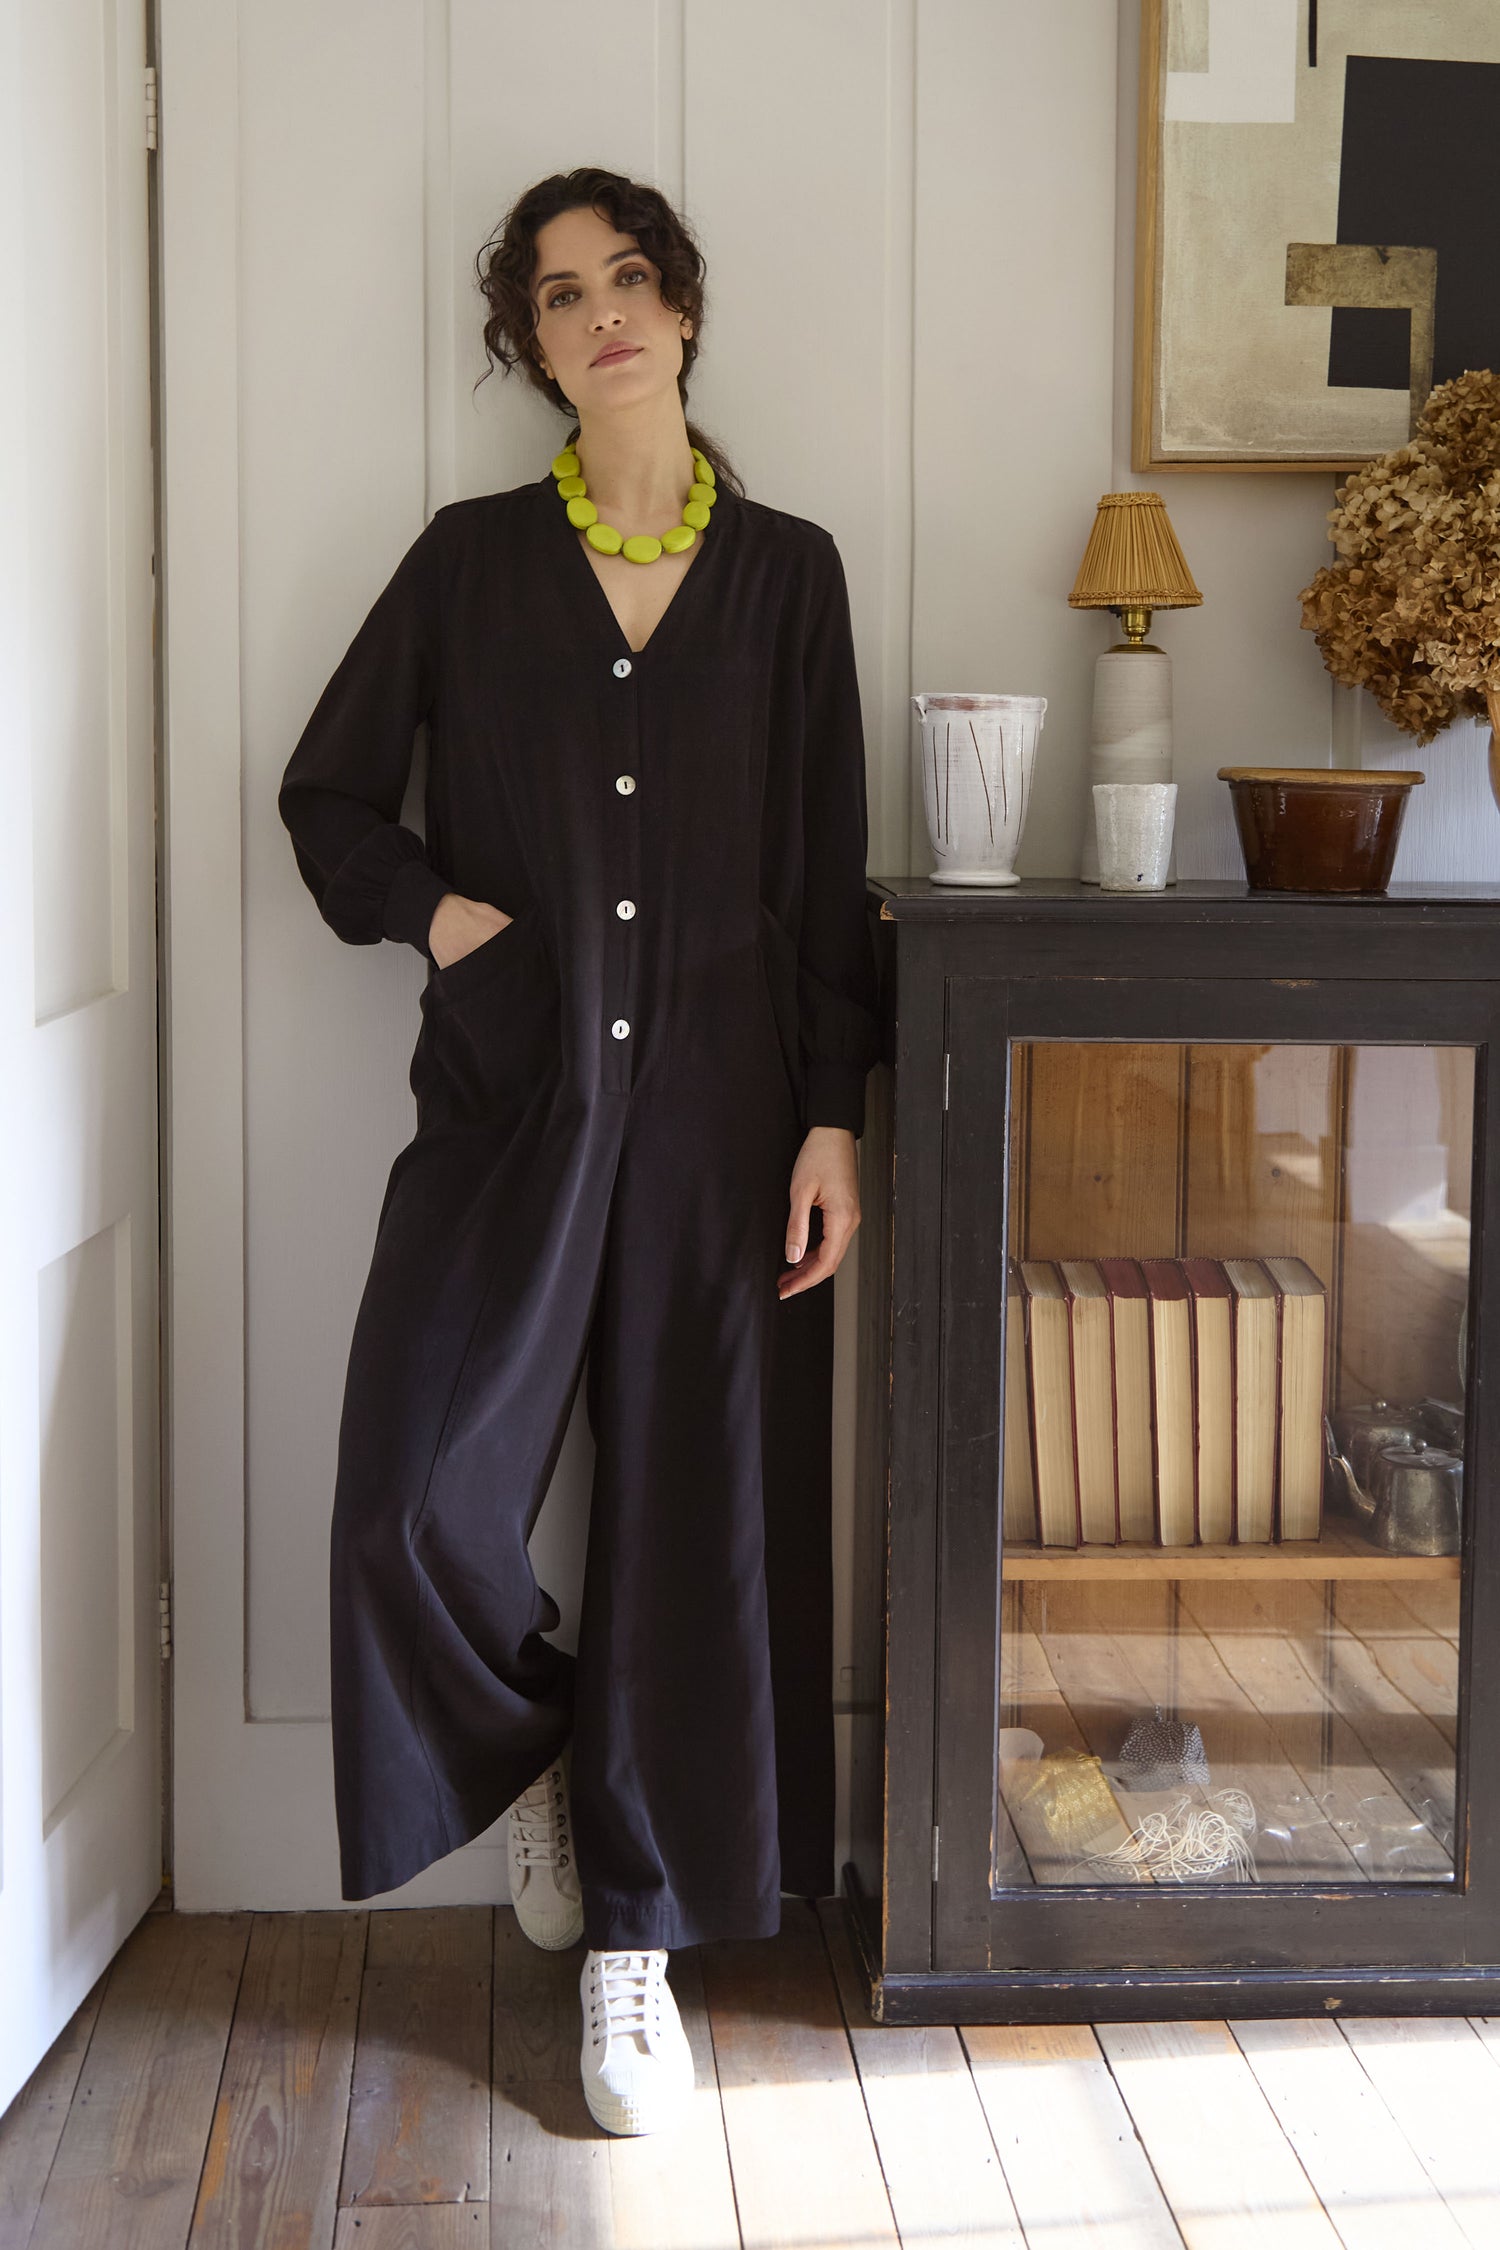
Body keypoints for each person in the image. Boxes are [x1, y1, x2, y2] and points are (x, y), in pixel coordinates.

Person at [277, 166, 879, 2137]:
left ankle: (637, 1945)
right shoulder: (465, 565)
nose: (603, 314)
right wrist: (450, 922)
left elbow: (819, 876)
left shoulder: (789, 576)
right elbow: (331, 794)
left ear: (684, 312)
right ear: (527, 346)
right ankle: (542, 1761)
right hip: (515, 1105)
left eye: (629, 279)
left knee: (693, 1532)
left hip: (723, 1118)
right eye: (560, 295)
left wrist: (831, 1120)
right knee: (407, 1500)